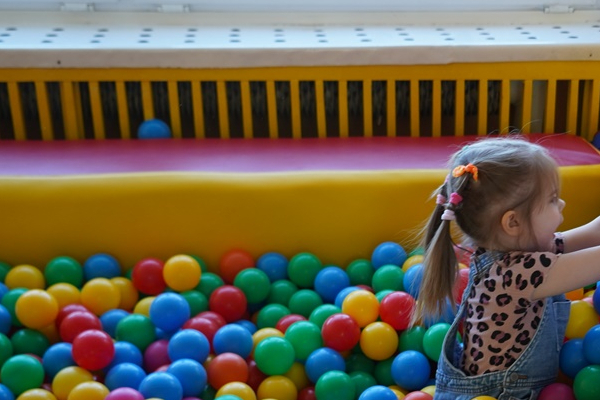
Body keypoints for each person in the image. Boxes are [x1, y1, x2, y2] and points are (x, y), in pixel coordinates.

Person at [412, 136, 600, 400]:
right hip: (497, 394)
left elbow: (592, 233)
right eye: (552, 199)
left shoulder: (511, 252)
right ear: (513, 223)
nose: (562, 204)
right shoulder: (517, 273)